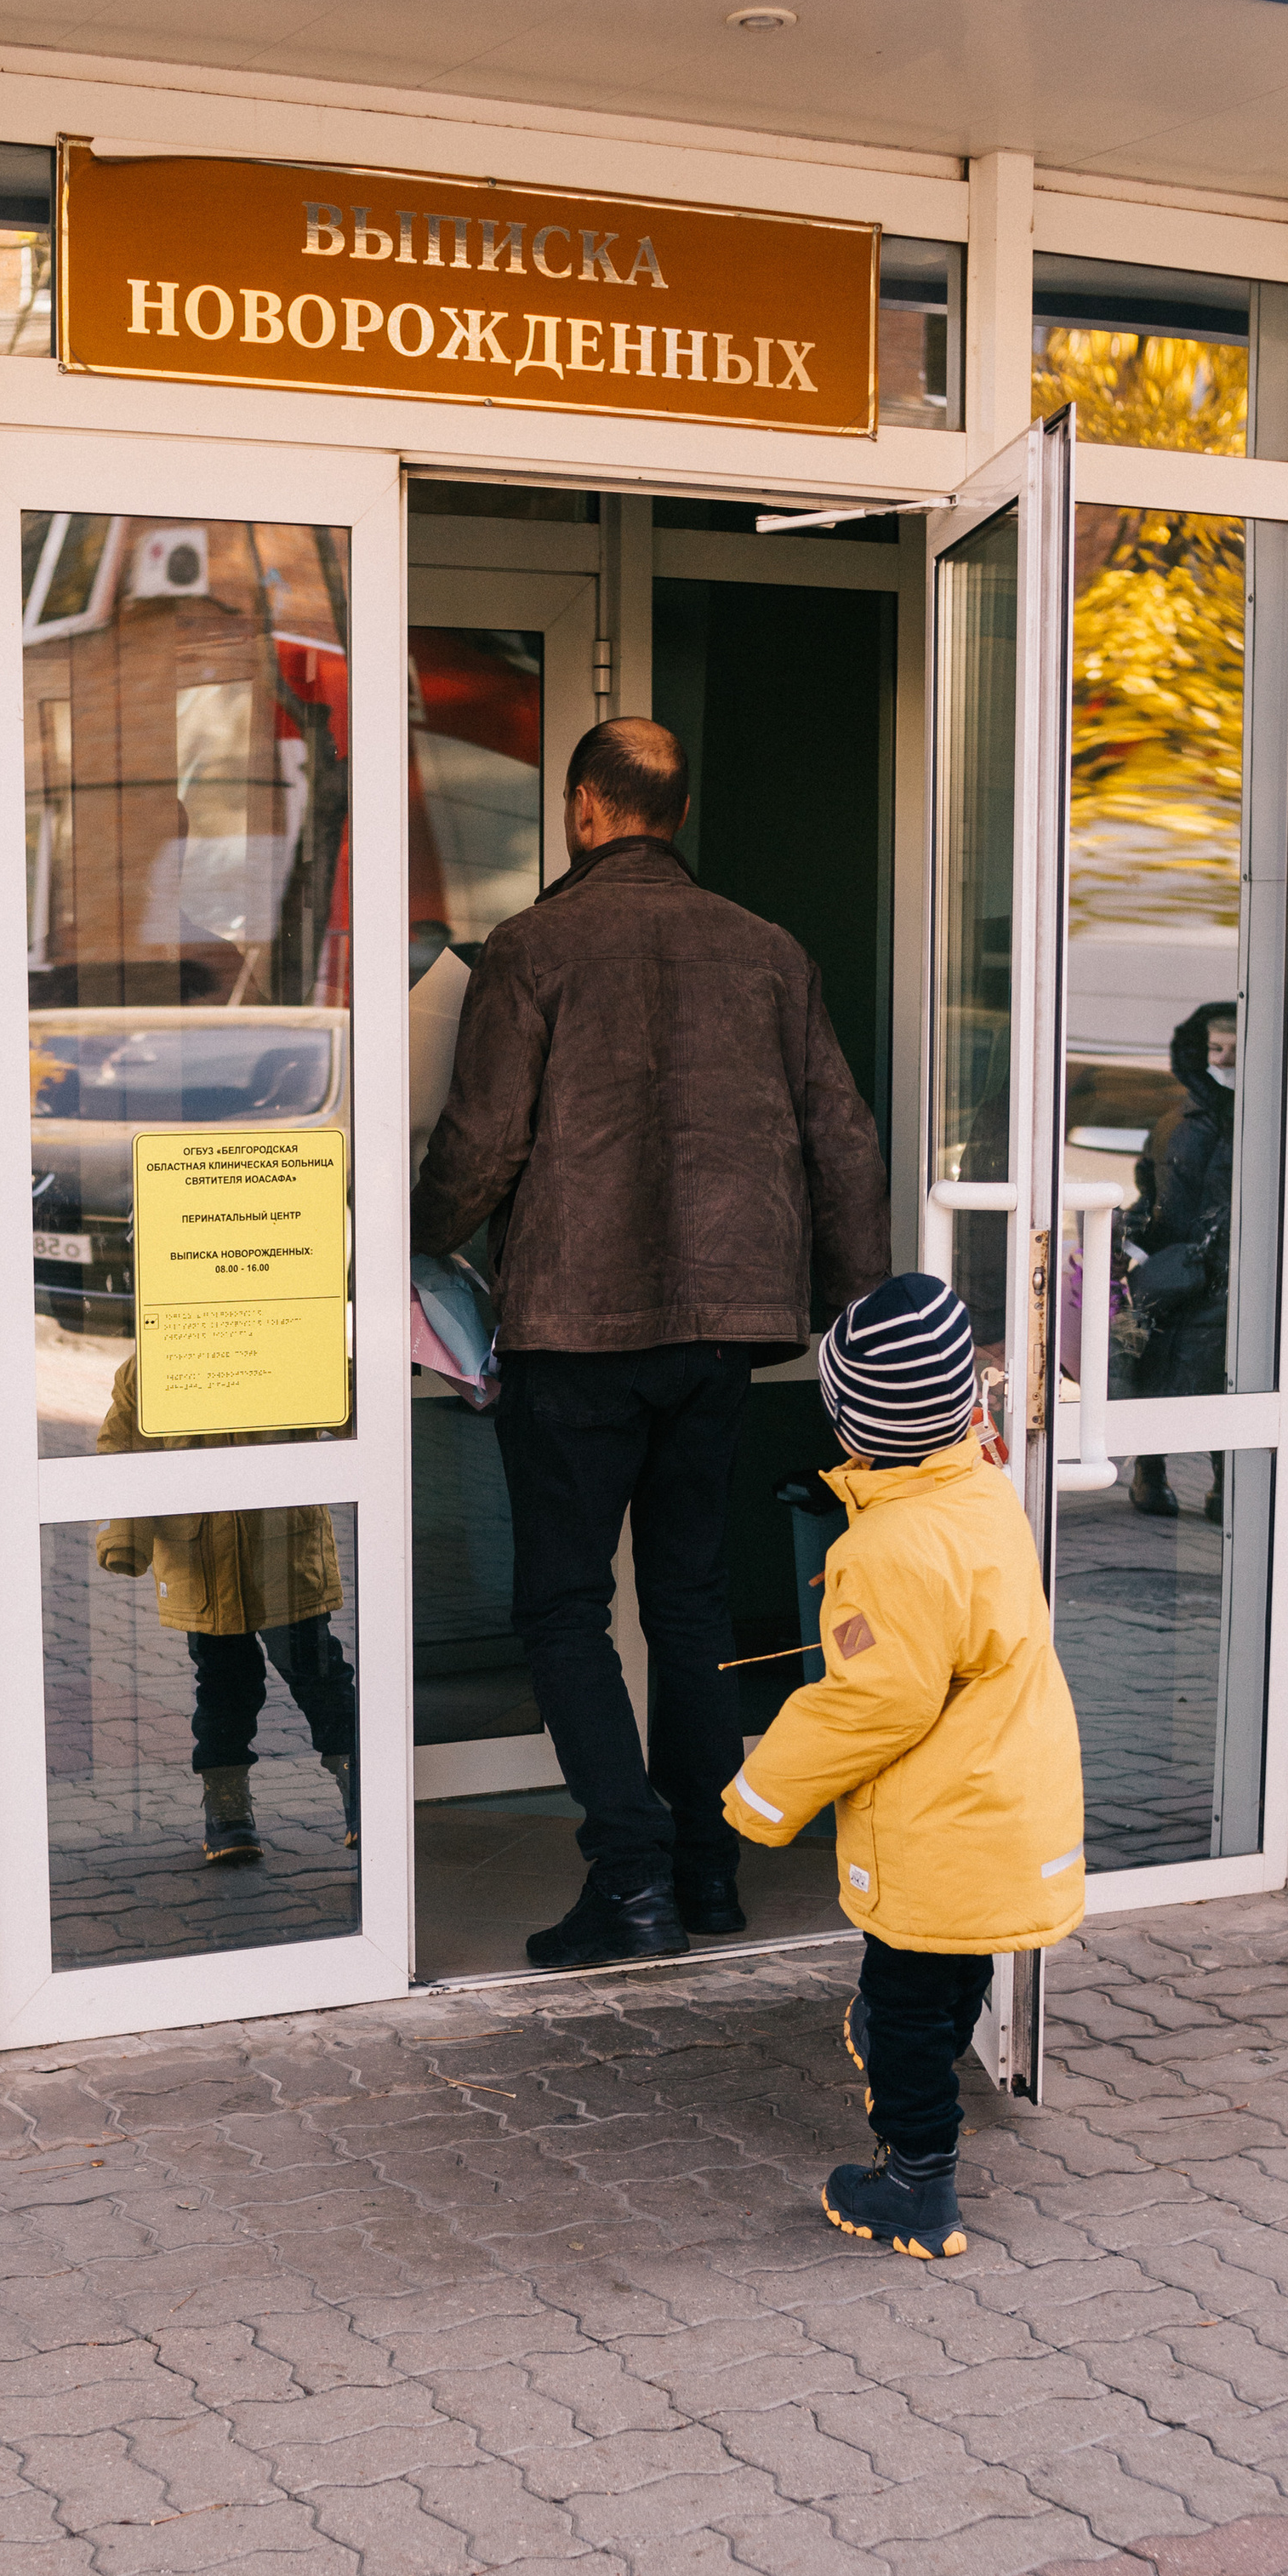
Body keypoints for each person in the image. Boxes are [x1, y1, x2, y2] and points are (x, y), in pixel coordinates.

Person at [412, 715, 890, 1970]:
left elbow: (482, 1145)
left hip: (575, 1332)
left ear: (584, 809)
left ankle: (627, 1878)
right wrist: (857, 1328)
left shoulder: (535, 949)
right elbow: (844, 1141)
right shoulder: (769, 953)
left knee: (565, 1607)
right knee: (684, 1602)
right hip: (723, 1336)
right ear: (672, 812)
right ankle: (708, 1870)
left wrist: (407, 1245)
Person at [724, 1273, 1086, 2259]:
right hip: (1008, 1802)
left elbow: (873, 1702)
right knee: (948, 1976)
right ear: (963, 1404)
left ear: (849, 1425)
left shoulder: (887, 1546)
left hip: (942, 1825)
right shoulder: (979, 1490)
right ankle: (901, 2064)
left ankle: (917, 2183)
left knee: (906, 2004)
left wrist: (762, 1794)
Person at [95, 1351, 358, 1858]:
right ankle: (227, 1805)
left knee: (317, 1672)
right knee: (223, 1686)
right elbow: (123, 1447)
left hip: (282, 1544)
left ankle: (360, 1785)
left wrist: (333, 1363)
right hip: (203, 1559)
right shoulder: (153, 1360)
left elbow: (346, 1405)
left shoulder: (283, 1334)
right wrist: (125, 1536)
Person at [1124, 999, 1234, 1522]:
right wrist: (1132, 1237)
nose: (1227, 1060)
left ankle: (1223, 1484)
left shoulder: (1270, 1118)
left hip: (1231, 1276)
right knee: (1160, 1370)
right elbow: (1152, 1189)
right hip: (1173, 1272)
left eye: (1238, 1048)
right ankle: (1152, 1473)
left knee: (1224, 1375)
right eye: (1216, 1048)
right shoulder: (1176, 1120)